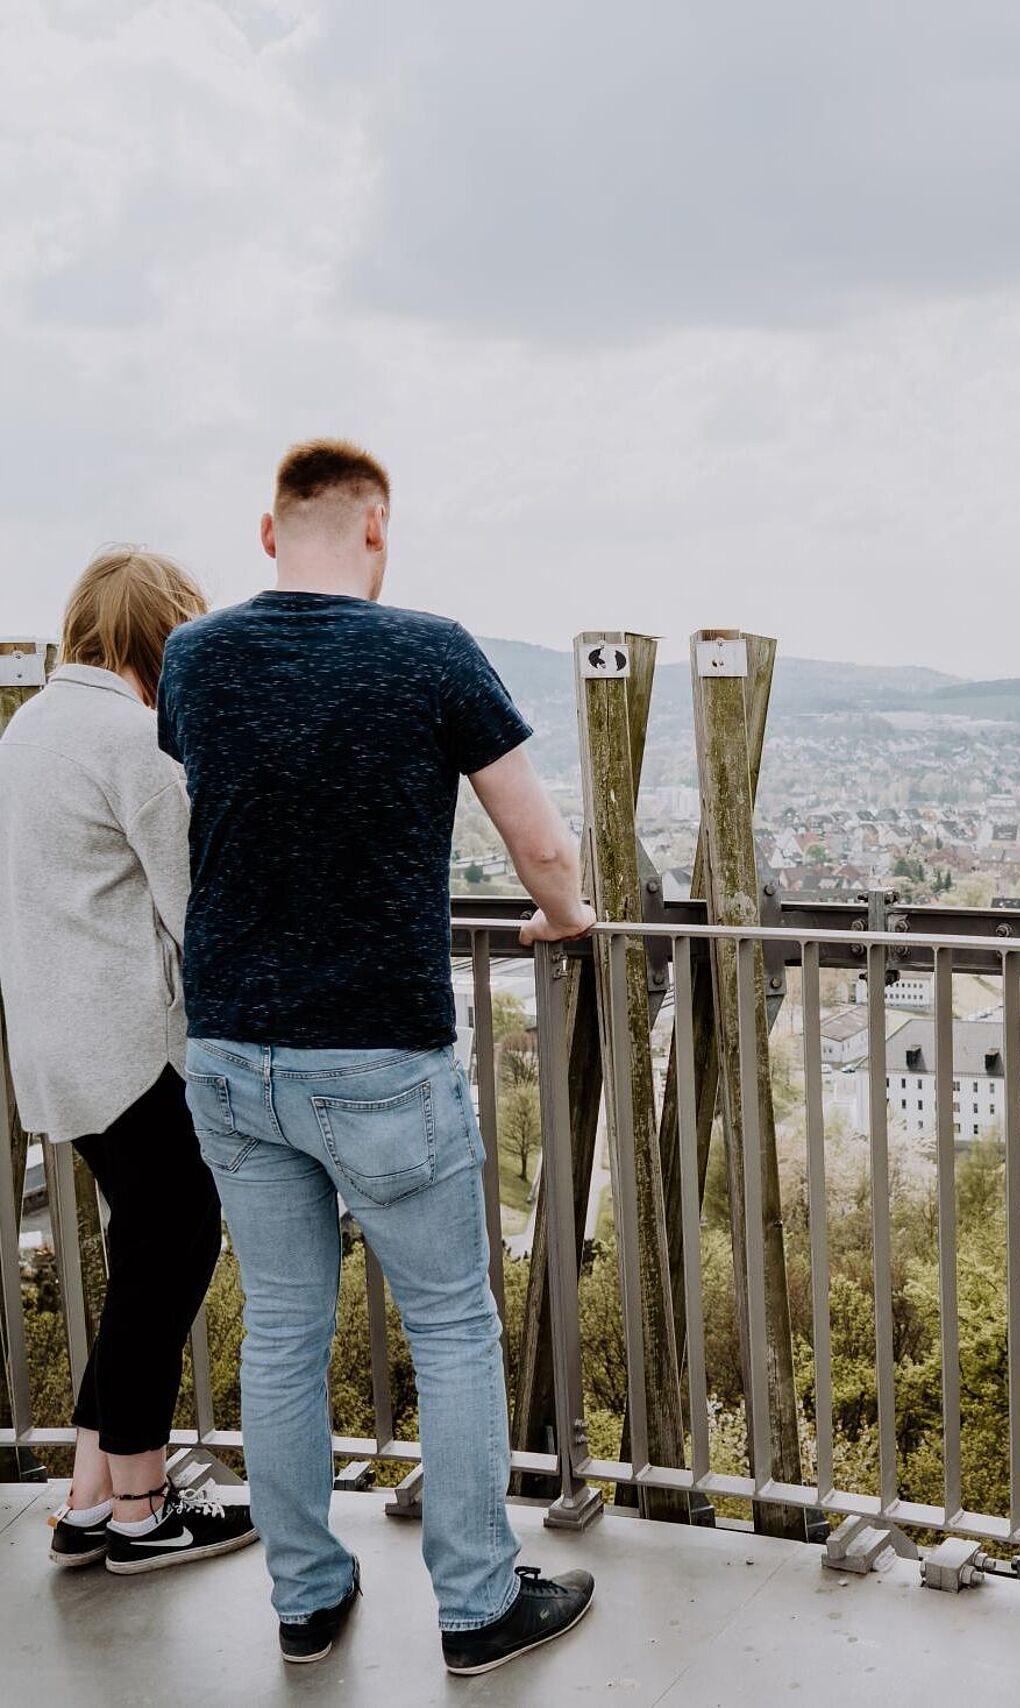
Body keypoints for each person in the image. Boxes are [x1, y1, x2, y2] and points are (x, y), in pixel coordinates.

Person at [157, 439, 597, 1673]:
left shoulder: (194, 657)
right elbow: (545, 850)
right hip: (379, 1053)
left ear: (266, 531)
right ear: (377, 530)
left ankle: (305, 1598)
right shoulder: (430, 651)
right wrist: (562, 921)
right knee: (452, 1324)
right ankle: (474, 1606)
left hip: (233, 1048)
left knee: (284, 1326)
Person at [0, 549, 259, 1573]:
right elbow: (200, 908)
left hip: (54, 1043)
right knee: (169, 1260)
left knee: (144, 1262)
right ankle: (146, 1510)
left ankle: (87, 1498)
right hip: (136, 1047)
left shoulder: (27, 729)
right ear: (166, 639)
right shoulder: (133, 740)